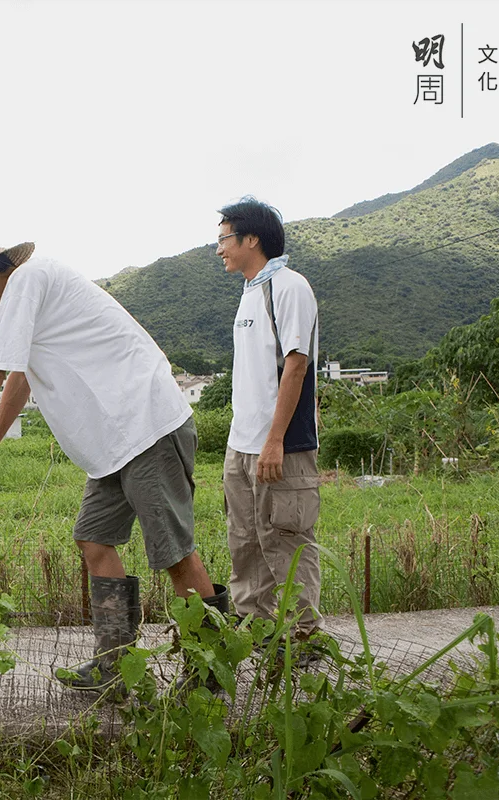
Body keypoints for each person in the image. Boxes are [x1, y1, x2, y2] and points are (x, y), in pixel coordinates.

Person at [0, 230, 229, 692]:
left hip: (145, 425)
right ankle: (115, 667)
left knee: (173, 553)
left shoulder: (27, 280)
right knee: (94, 540)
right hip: (111, 444)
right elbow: (19, 377)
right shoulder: (24, 302)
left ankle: (210, 674)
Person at [216, 197, 323, 637]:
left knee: (286, 543)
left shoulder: (289, 287)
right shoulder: (249, 293)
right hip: (241, 446)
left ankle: (302, 637)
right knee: (245, 544)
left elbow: (296, 366)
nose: (219, 249)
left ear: (251, 239)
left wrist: (275, 440)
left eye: (224, 239)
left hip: (282, 446)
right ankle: (254, 632)